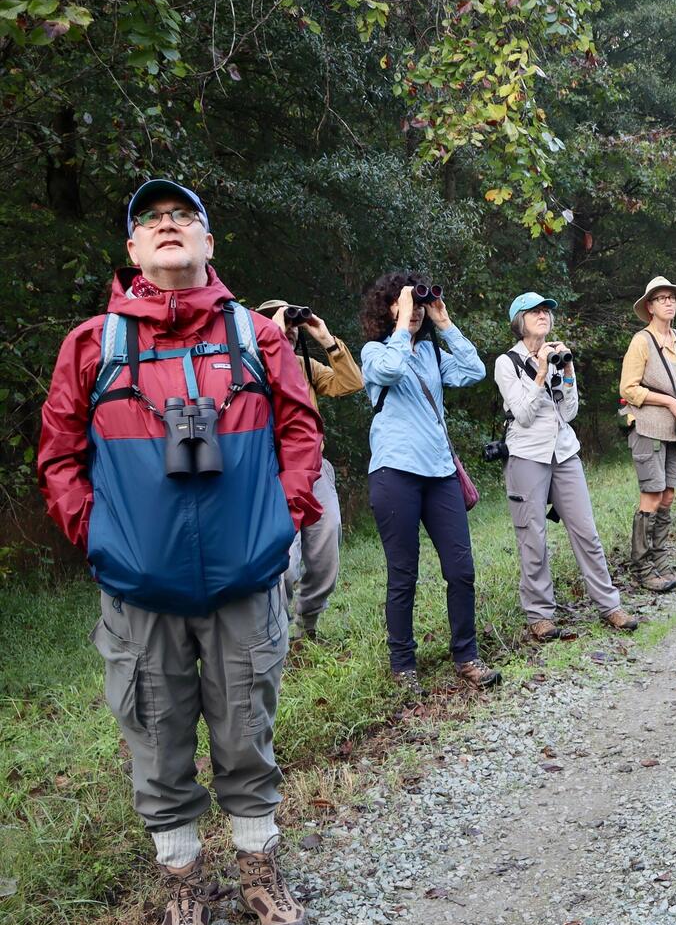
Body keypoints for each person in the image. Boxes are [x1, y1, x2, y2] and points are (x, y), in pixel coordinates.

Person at [37, 179, 323, 925]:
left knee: (246, 733)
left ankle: (259, 869)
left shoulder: (257, 339)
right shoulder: (93, 345)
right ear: (132, 250)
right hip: (139, 590)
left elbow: (301, 431)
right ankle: (183, 886)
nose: (168, 228)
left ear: (207, 243)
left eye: (183, 219)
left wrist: (283, 521)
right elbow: (60, 456)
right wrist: (99, 538)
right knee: (157, 740)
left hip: (244, 580)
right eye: (151, 222)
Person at [359, 271, 500, 694]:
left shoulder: (432, 354)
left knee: (461, 570)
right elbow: (387, 370)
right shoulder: (374, 350)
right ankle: (403, 666)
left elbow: (475, 370)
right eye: (406, 303)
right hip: (395, 473)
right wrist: (403, 323)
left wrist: (445, 323)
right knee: (403, 574)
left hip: (440, 474)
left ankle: (467, 656)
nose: (415, 310)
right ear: (387, 309)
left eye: (419, 303)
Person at [494, 292, 639, 640]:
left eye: (547, 311)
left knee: (586, 531)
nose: (543, 315)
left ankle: (609, 605)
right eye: (535, 311)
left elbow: (569, 411)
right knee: (534, 538)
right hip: (527, 455)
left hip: (564, 452)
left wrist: (568, 370)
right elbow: (525, 414)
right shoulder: (506, 363)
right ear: (519, 320)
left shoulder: (557, 354)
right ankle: (540, 614)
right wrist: (541, 372)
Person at [259, 300, 364, 642]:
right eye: (282, 322)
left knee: (325, 552)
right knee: (284, 564)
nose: (289, 328)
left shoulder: (305, 365)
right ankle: (280, 633)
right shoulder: (247, 365)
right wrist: (270, 337)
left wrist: (326, 339)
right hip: (271, 474)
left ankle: (308, 626)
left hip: (315, 469)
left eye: (292, 322)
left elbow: (351, 383)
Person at [619, 276, 676, 592]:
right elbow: (627, 388)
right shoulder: (642, 340)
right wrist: (668, 401)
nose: (669, 302)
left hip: (674, 428)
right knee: (652, 495)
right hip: (648, 428)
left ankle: (660, 561)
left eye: (671, 298)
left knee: (668, 495)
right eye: (661, 298)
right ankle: (642, 568)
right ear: (650, 306)